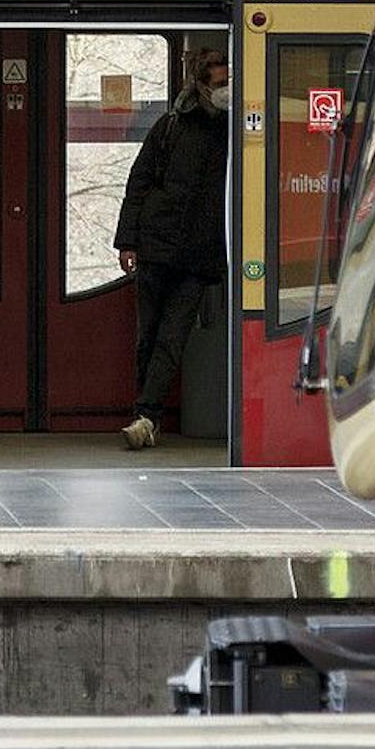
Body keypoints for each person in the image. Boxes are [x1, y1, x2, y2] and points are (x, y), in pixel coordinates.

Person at [113, 46, 231, 451]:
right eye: (219, 83)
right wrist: (127, 240)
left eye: (229, 81)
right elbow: (139, 182)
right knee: (149, 336)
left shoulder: (236, 130)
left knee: (172, 336)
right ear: (199, 84)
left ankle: (147, 415)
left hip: (198, 254)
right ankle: (144, 414)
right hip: (156, 245)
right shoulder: (170, 127)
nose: (226, 89)